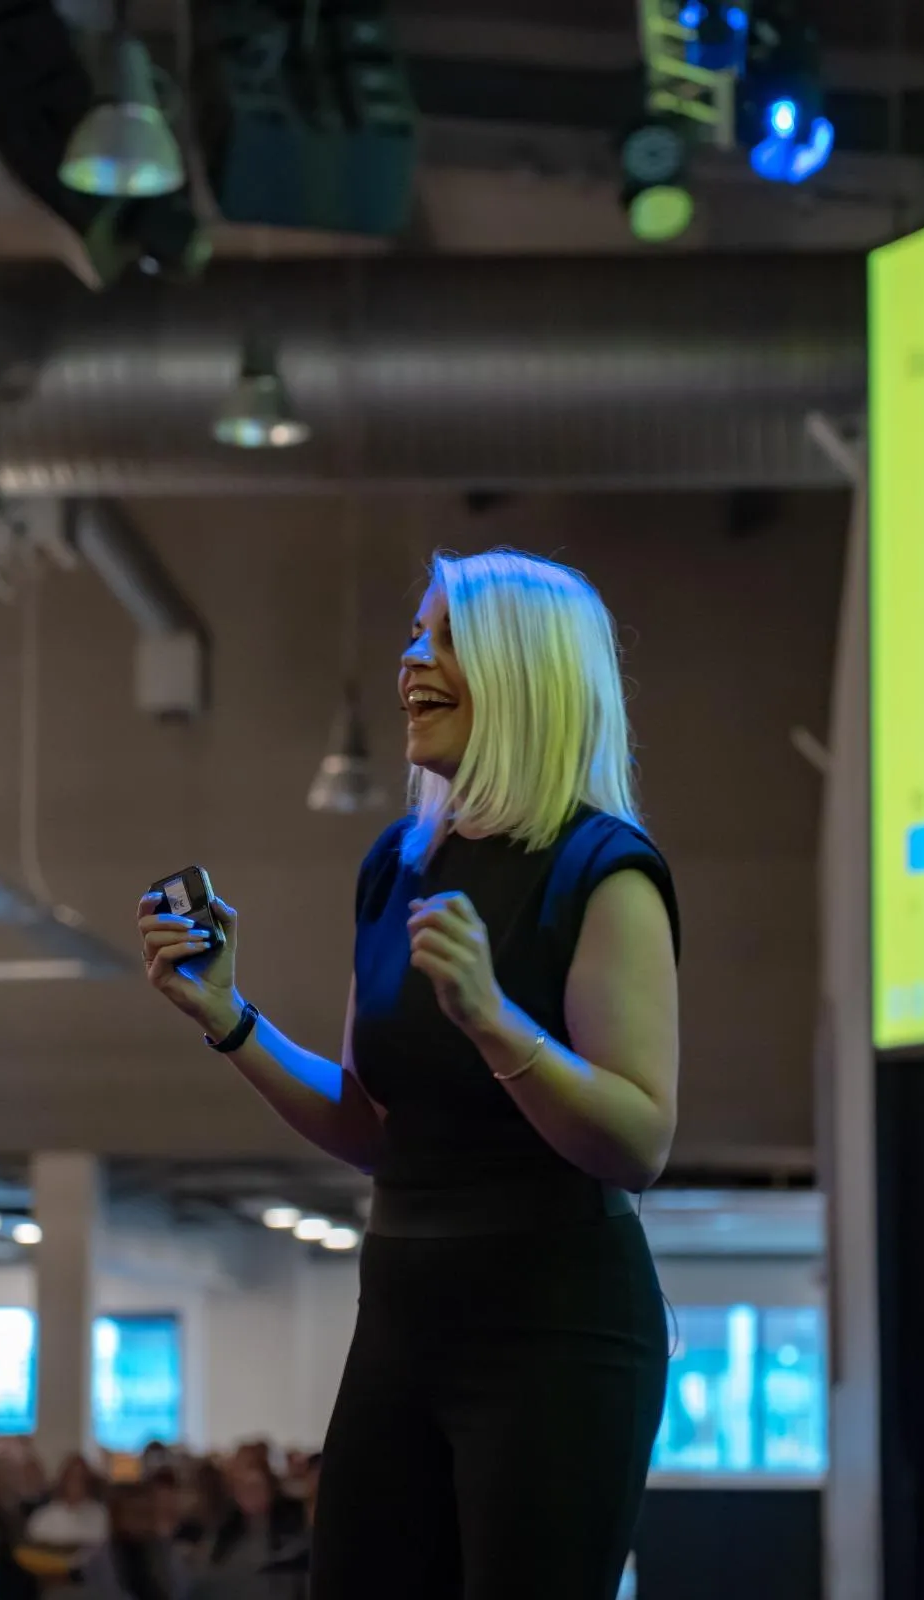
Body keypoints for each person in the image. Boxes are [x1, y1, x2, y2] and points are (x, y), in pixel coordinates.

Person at [138, 548, 681, 1600]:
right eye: (413, 633)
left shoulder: (601, 869)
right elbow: (373, 1122)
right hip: (400, 1315)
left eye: (442, 636)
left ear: (523, 672)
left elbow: (640, 1137)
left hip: (557, 1330)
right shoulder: (399, 861)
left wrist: (492, 1019)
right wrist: (231, 1020)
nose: (409, 658)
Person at [24, 1455, 107, 1552]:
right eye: (72, 1478)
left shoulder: (99, 1514)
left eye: (81, 1478)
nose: (76, 1484)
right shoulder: (44, 1516)